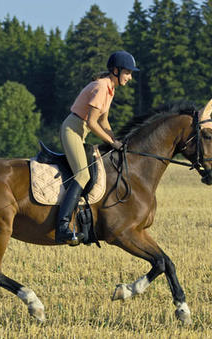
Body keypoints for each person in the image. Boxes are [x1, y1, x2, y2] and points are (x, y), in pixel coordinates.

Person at [55, 50, 140, 245]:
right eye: (128, 72)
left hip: (80, 131)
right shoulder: (102, 87)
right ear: (116, 71)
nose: (130, 77)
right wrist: (111, 143)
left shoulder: (110, 88)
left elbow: (104, 120)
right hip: (72, 130)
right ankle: (63, 225)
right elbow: (93, 123)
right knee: (82, 175)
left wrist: (116, 139)